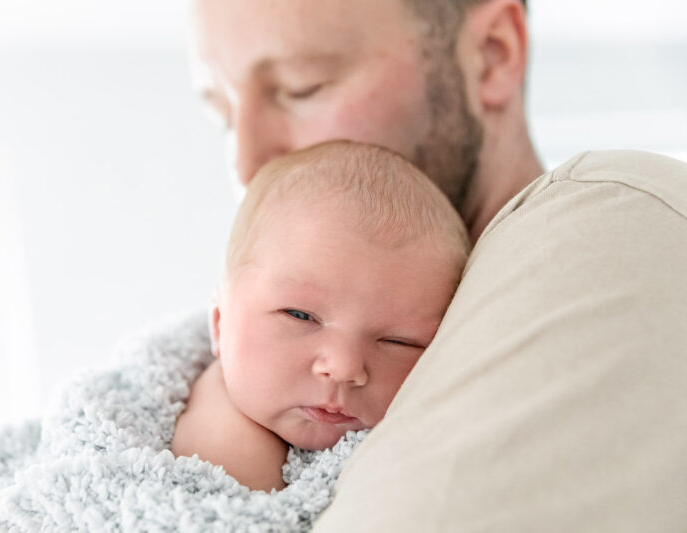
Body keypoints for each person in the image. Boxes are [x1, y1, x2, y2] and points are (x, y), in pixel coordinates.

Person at [183, 0, 687, 530]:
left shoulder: (619, 213)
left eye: (300, 87)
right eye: (223, 116)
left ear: (492, 54)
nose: (246, 162)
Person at [171, 140, 471, 491]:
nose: (344, 367)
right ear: (220, 325)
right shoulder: (218, 424)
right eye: (300, 316)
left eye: (398, 341)